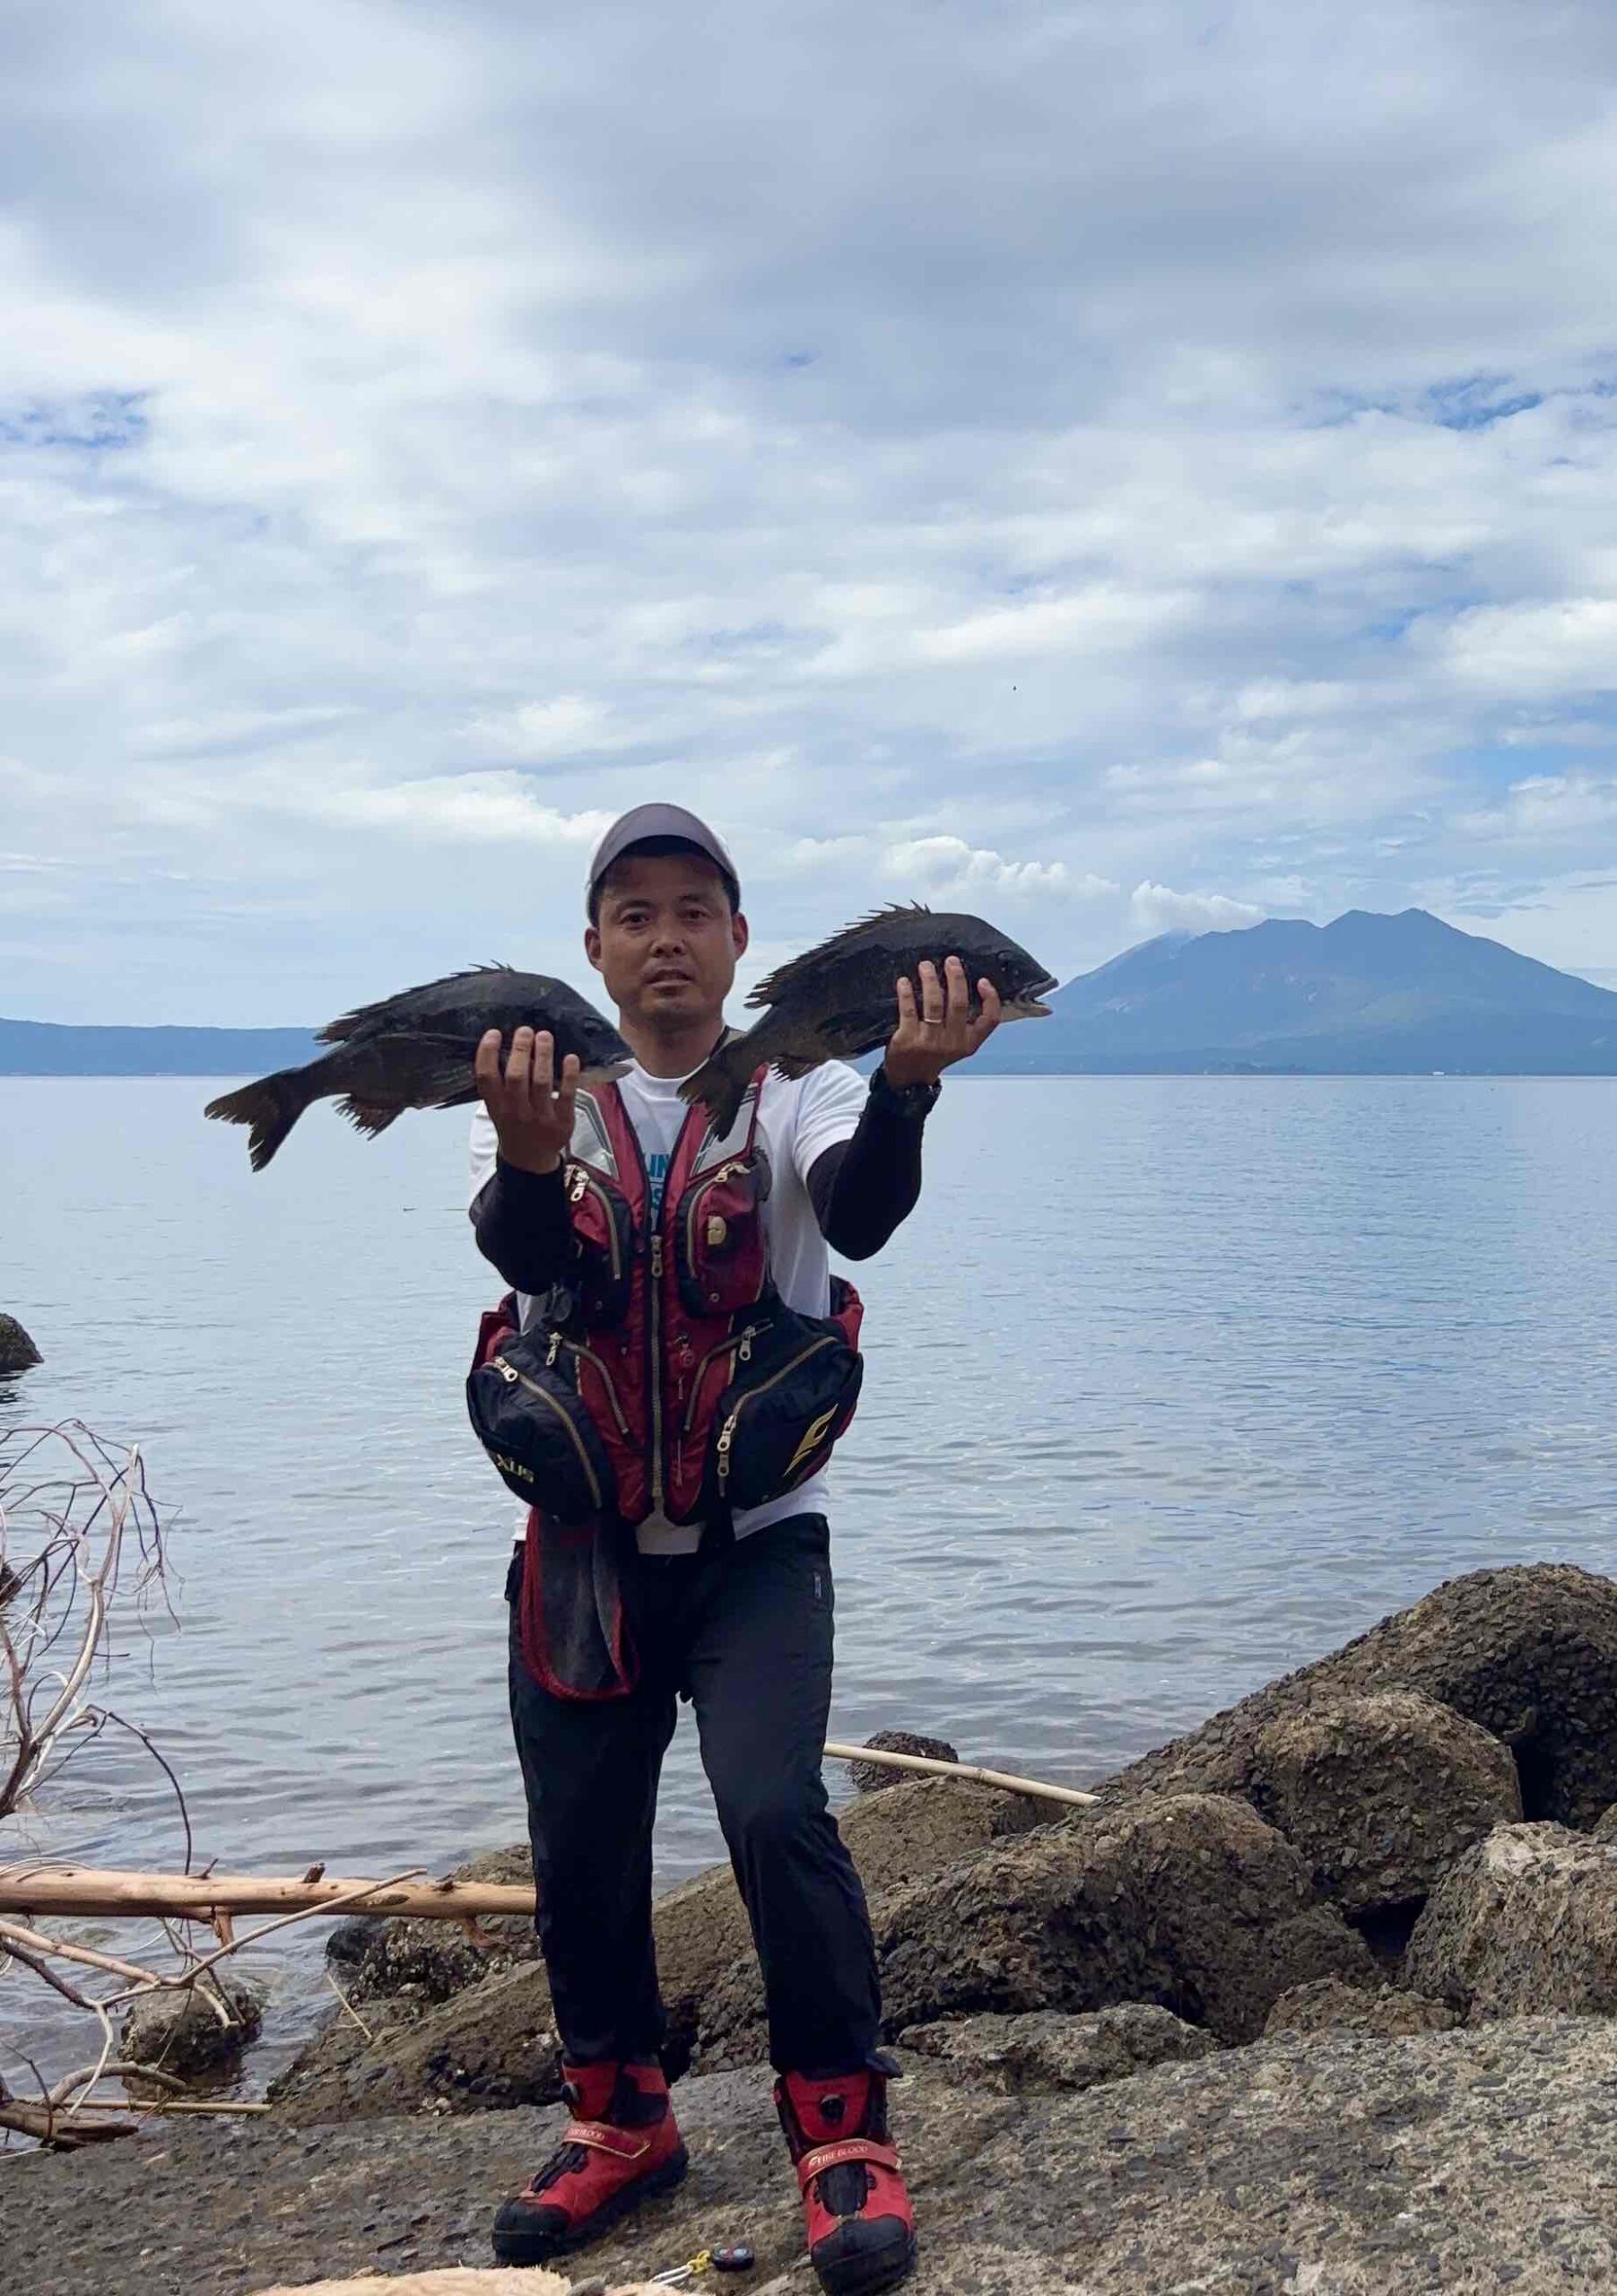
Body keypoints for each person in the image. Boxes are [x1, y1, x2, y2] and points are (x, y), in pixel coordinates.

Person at [468, 803, 1002, 2295]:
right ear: (594, 949)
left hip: (759, 1541)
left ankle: (843, 2133)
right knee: (580, 1842)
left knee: (775, 1813)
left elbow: (865, 1217)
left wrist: (905, 1089)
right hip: (584, 1552)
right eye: (633, 914)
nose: (665, 938)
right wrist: (519, 1158)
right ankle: (620, 2120)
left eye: (694, 909)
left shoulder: (799, 1088)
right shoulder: (546, 1092)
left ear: (739, 938)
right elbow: (531, 1262)